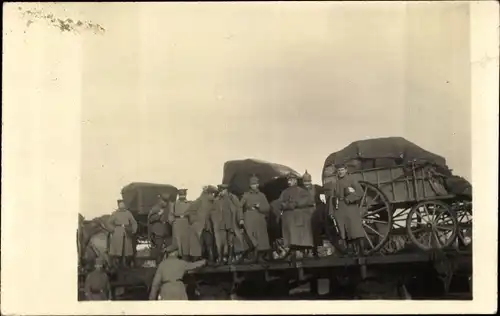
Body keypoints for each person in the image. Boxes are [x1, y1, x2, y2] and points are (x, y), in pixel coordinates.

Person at [277, 172, 315, 261]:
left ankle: (302, 252)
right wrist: (286, 205)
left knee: (298, 237)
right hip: (288, 218)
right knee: (290, 236)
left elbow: (308, 201)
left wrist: (294, 204)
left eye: (291, 180)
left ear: (295, 181)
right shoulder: (284, 192)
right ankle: (292, 251)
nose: (289, 182)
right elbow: (280, 203)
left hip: (298, 218)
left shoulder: (301, 191)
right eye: (289, 180)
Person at [330, 163, 365, 255]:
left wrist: (349, 199)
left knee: (355, 229)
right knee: (343, 230)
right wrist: (332, 211)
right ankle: (351, 251)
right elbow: (332, 197)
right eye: (338, 171)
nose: (340, 172)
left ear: (346, 170)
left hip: (350, 207)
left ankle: (361, 250)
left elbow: (360, 192)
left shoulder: (352, 180)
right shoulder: (335, 183)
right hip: (340, 208)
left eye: (342, 170)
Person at [240, 175, 272, 262]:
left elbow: (267, 208)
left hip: (259, 217)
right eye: (253, 184)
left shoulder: (262, 196)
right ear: (250, 185)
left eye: (256, 184)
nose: (255, 185)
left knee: (261, 237)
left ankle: (260, 257)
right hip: (249, 217)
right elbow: (239, 207)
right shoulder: (246, 195)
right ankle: (252, 256)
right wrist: (241, 218)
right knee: (251, 236)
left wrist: (260, 206)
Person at [212, 184, 246, 264]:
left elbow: (239, 208)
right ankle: (222, 258)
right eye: (220, 191)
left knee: (231, 240)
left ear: (226, 190)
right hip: (221, 224)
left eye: (223, 190)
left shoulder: (232, 198)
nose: (222, 192)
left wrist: (240, 219)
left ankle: (230, 257)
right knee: (222, 241)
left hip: (231, 222)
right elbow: (214, 211)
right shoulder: (217, 200)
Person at [187, 185, 218, 264]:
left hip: (208, 227)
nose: (213, 195)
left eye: (213, 194)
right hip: (199, 227)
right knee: (199, 244)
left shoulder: (213, 203)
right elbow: (190, 212)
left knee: (209, 243)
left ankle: (211, 260)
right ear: (207, 193)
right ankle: (197, 261)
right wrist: (195, 221)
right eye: (211, 193)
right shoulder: (199, 201)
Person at [107, 199, 138, 268]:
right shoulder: (115, 214)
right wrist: (113, 229)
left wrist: (133, 230)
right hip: (117, 232)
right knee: (117, 250)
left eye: (123, 204)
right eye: (120, 204)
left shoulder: (128, 213)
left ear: (124, 205)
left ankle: (127, 264)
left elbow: (134, 222)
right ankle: (118, 263)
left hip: (126, 232)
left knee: (127, 250)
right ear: (118, 205)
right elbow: (109, 223)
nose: (122, 205)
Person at [168, 189, 196, 261]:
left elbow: (192, 215)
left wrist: (191, 222)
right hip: (177, 223)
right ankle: (178, 258)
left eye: (183, 194)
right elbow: (170, 216)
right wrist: (173, 223)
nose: (182, 196)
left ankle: (186, 259)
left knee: (186, 242)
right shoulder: (173, 204)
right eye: (181, 195)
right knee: (177, 242)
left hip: (186, 223)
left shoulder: (190, 203)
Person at [148, 193, 172, 265]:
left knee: (169, 248)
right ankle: (158, 264)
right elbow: (150, 219)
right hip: (158, 231)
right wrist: (158, 215)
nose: (165, 203)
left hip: (168, 231)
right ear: (160, 200)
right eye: (163, 201)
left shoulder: (169, 208)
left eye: (166, 201)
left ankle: (168, 264)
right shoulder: (155, 208)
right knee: (158, 249)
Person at [302, 170, 321, 258]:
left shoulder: (315, 188)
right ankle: (306, 250)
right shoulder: (300, 190)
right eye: (305, 182)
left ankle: (315, 251)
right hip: (305, 213)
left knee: (315, 231)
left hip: (315, 212)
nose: (307, 184)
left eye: (308, 182)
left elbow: (324, 191)